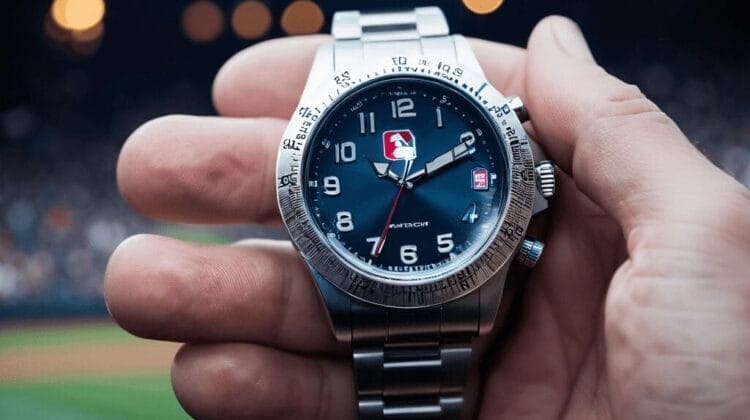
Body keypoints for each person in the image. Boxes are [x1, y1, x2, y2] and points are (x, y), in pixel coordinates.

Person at [104, 16, 750, 419]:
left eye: (413, 173)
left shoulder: (485, 170)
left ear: (532, 183)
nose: (408, 178)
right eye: (396, 172)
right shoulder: (373, 157)